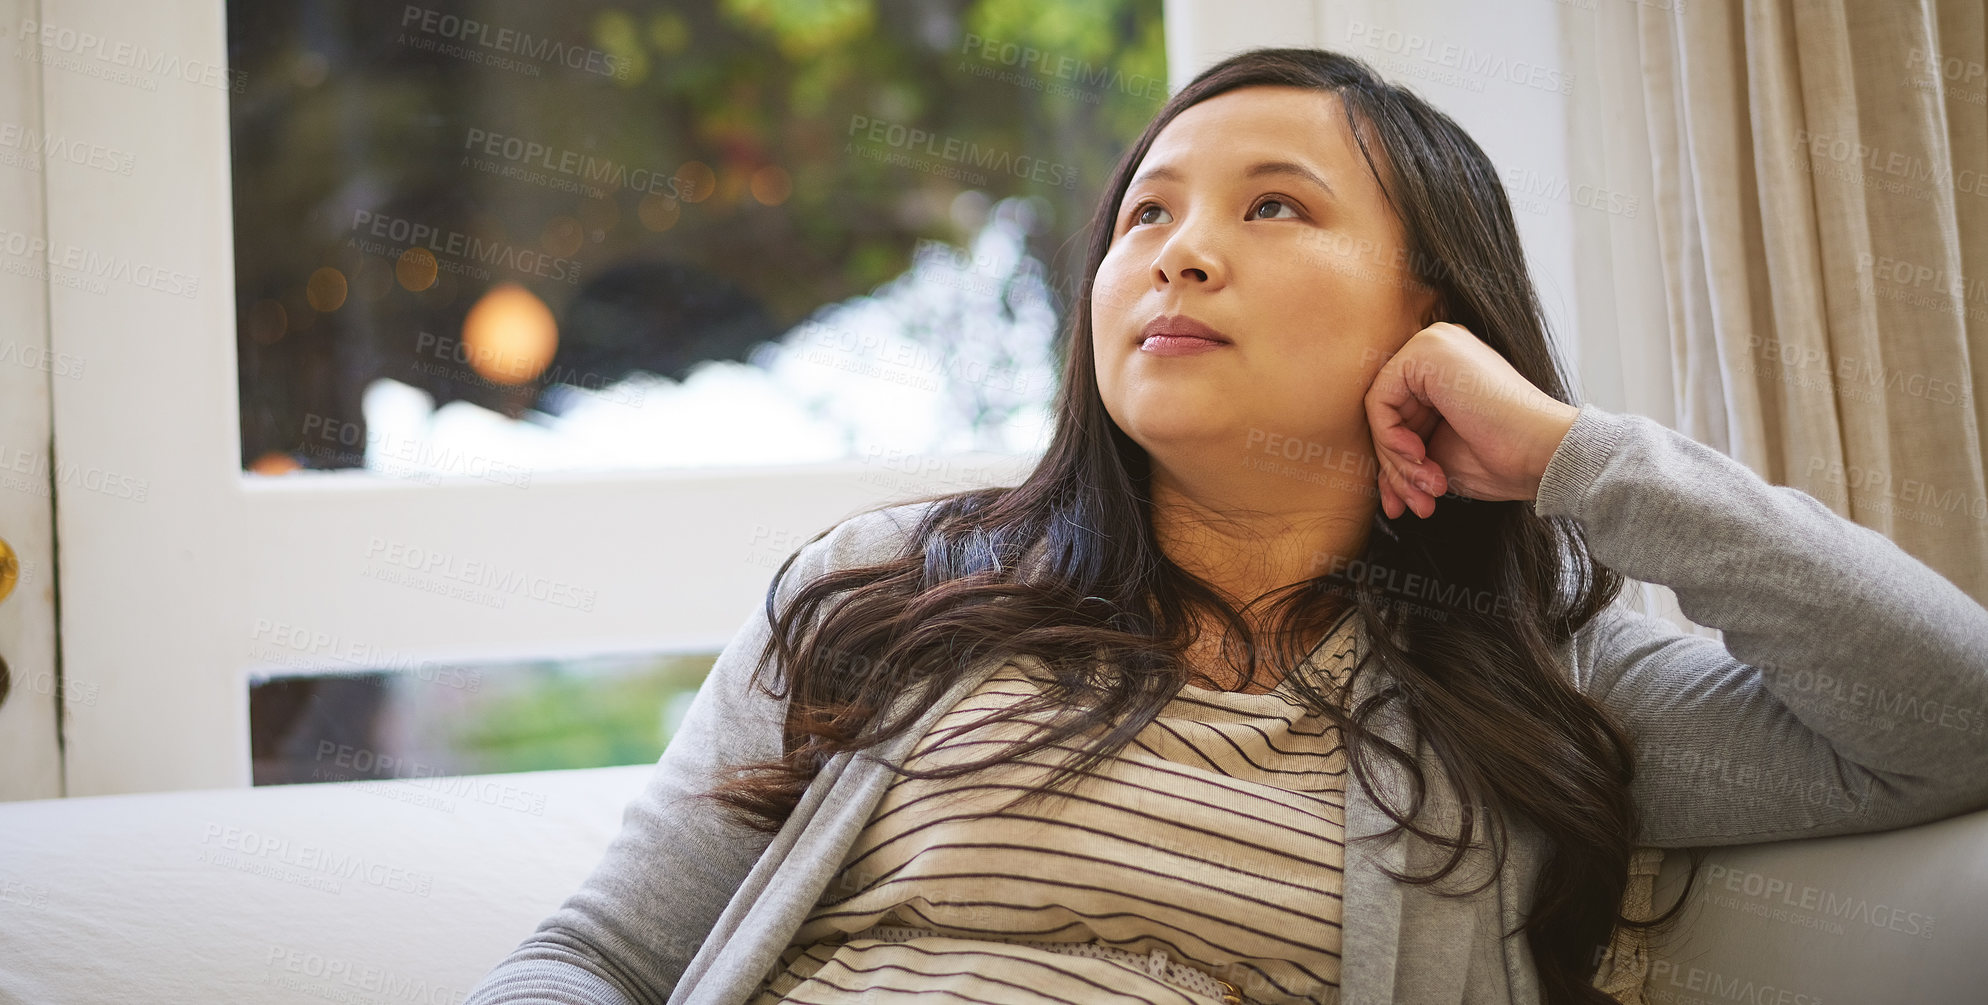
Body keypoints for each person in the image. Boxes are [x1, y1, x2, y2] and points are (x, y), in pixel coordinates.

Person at [465, 47, 1988, 1005]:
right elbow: (598, 960)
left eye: (1274, 207)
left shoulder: (1538, 689)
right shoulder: (882, 589)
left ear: (1431, 314)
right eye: (1146, 213)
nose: (1180, 252)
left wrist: (1576, 454)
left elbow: (1951, 716)